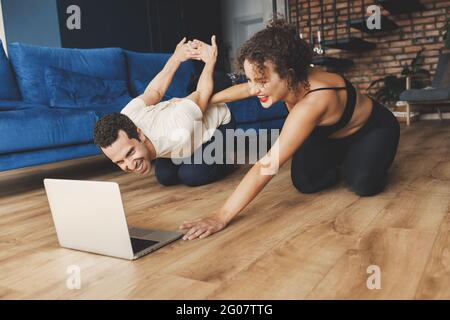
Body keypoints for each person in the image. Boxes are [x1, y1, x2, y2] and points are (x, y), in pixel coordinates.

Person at [180, 19, 400, 240]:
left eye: (262, 81)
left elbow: (267, 164)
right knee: (305, 182)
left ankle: (360, 159)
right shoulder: (281, 77)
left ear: (289, 74)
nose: (255, 88)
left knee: (364, 184)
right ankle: (342, 158)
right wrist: (201, 102)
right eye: (251, 79)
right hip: (328, 134)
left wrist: (221, 216)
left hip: (371, 129)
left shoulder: (313, 102)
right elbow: (246, 89)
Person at [93, 36, 237, 187]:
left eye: (130, 153)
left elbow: (202, 92)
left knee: (191, 175)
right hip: (185, 134)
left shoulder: (176, 127)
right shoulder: (126, 116)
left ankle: (229, 159)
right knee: (165, 177)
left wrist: (210, 61)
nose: (130, 165)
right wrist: (176, 57)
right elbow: (154, 91)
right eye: (119, 162)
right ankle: (192, 153)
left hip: (218, 126)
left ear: (140, 134)